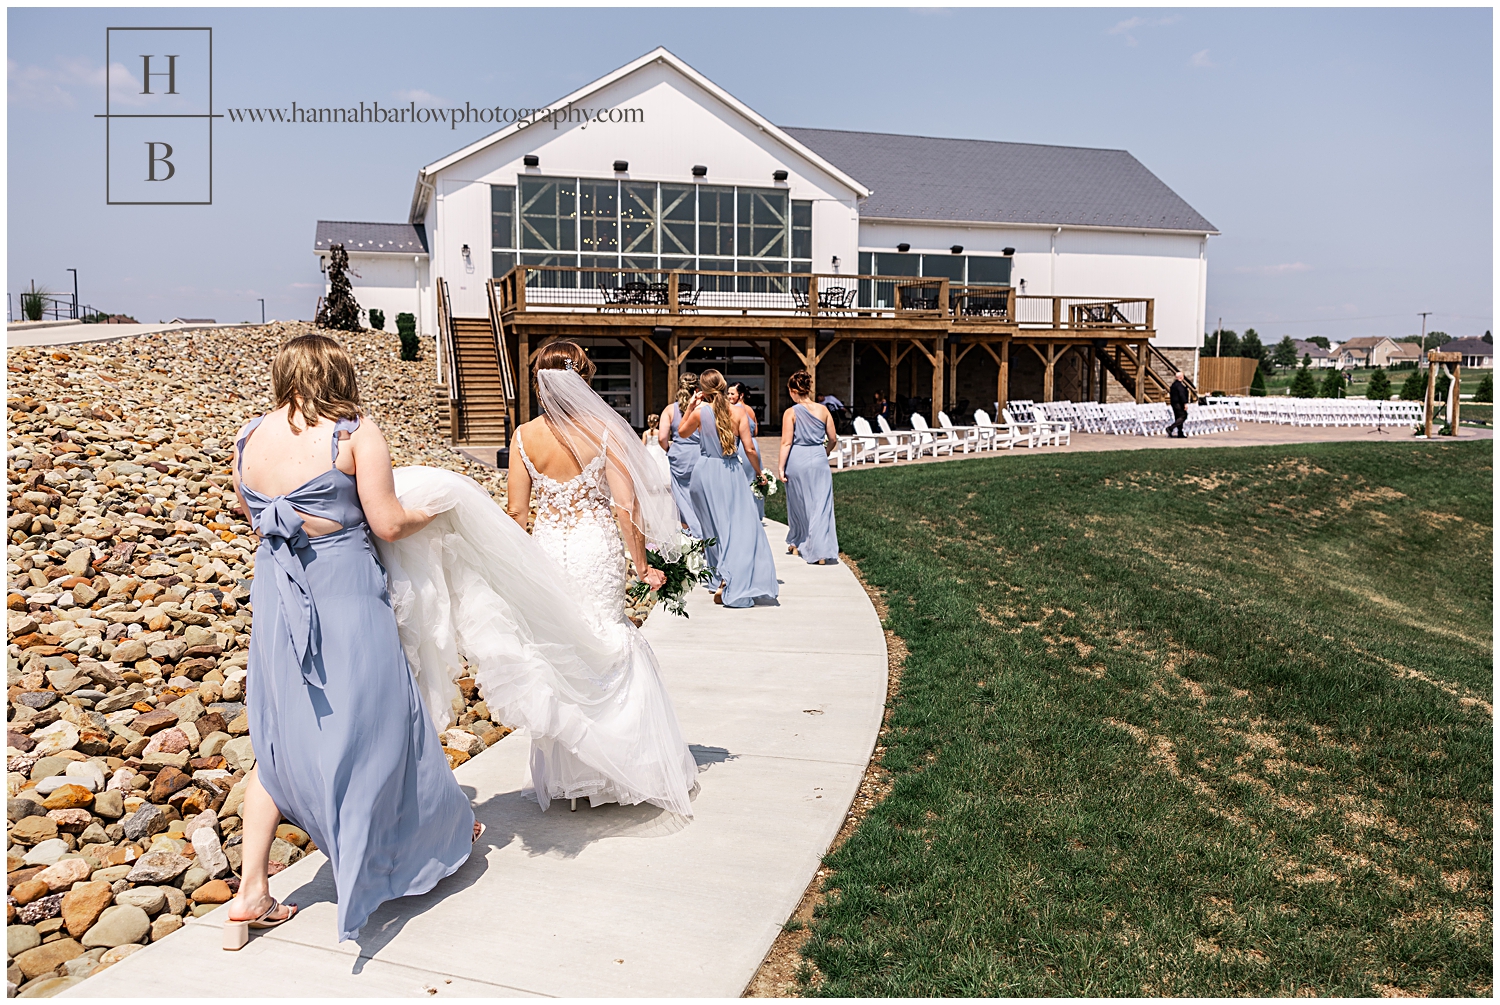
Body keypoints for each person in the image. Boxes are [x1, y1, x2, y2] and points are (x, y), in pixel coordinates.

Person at [227, 334, 477, 948]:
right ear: (341, 373)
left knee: (281, 741)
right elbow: (388, 520)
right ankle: (384, 861)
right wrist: (437, 511)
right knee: (379, 723)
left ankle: (250, 890)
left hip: (278, 598)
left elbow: (252, 514)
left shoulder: (249, 438)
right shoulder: (354, 433)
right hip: (343, 595)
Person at [502, 341, 698, 812]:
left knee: (564, 652)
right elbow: (624, 506)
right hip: (595, 548)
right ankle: (624, 767)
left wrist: (511, 570)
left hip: (548, 551)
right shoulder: (605, 430)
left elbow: (515, 511)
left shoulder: (523, 435)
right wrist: (643, 564)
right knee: (610, 643)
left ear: (539, 383)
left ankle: (577, 774)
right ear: (583, 381)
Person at [679, 370, 779, 608]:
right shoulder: (739, 412)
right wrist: (759, 472)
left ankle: (718, 578)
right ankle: (731, 578)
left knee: (712, 529)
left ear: (702, 390)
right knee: (738, 528)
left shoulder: (701, 412)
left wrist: (691, 407)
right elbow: (750, 449)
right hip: (730, 473)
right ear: (723, 387)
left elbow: (682, 433)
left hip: (703, 473)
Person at [780, 370, 840, 564]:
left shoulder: (791, 413)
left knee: (798, 504)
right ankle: (820, 551)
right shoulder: (823, 410)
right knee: (820, 505)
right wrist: (826, 452)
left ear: (792, 390)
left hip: (798, 458)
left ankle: (798, 542)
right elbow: (833, 438)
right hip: (818, 458)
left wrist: (780, 467)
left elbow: (786, 443)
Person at [657, 373, 704, 538]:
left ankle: (689, 536)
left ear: (679, 388)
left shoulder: (670, 410)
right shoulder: (703, 408)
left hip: (679, 456)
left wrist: (669, 450)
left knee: (682, 497)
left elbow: (662, 437)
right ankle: (704, 535)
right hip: (701, 454)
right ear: (697, 389)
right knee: (701, 496)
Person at [726, 382, 764, 521]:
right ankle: (755, 512)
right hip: (754, 444)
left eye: (732, 394)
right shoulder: (750, 409)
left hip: (742, 445)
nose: (729, 396)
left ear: (740, 395)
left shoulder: (734, 410)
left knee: (741, 480)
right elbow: (755, 431)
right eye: (728, 393)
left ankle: (743, 514)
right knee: (752, 479)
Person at [642, 412, 672, 485]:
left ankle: (651, 483)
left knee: (650, 467)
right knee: (659, 466)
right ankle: (658, 483)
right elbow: (663, 440)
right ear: (657, 423)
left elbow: (643, 444)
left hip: (649, 450)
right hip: (658, 450)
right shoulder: (659, 432)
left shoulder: (645, 433)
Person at [1168, 371, 1190, 438]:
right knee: (1183, 416)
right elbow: (1181, 395)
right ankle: (1171, 428)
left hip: (1174, 403)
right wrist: (1185, 403)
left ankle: (1180, 432)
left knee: (1178, 417)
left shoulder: (1174, 384)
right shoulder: (1179, 385)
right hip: (1179, 403)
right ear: (1181, 377)